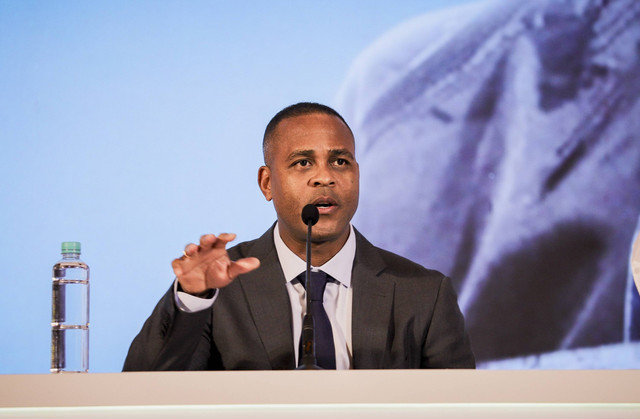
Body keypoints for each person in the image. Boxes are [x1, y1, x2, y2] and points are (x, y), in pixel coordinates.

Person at [123, 102, 475, 370]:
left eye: (340, 162)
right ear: (267, 183)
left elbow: (462, 409)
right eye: (302, 163)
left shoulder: (424, 293)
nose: (325, 177)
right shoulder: (219, 290)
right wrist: (193, 299)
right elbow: (145, 388)